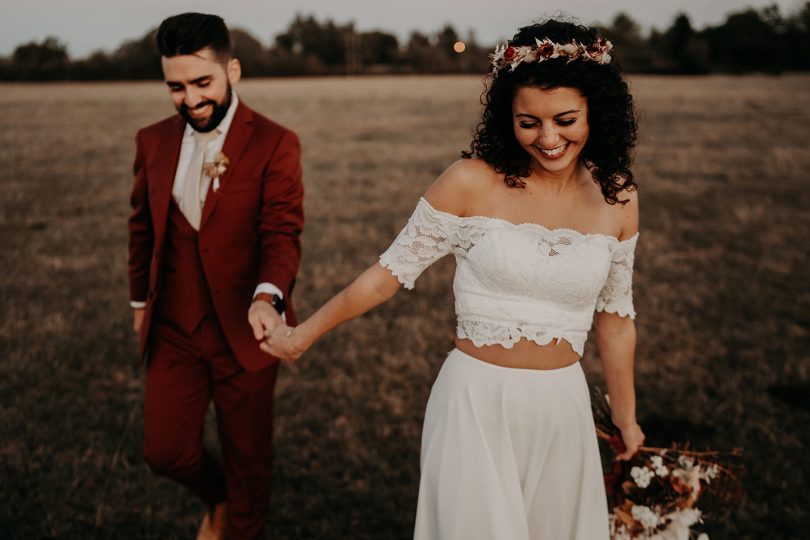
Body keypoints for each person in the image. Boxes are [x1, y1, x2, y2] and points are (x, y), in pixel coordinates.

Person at [265, 18, 642, 540]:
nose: (549, 138)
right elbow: (385, 275)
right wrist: (300, 336)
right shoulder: (470, 182)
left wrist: (627, 419)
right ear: (506, 116)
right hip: (475, 406)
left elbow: (616, 319)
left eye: (566, 119)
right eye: (528, 122)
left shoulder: (618, 196)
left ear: (596, 111)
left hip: (564, 410)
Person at [126, 13, 304, 540]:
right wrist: (140, 308)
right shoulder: (152, 140)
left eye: (202, 83)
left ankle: (240, 521)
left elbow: (281, 232)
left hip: (245, 332)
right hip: (173, 330)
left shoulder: (275, 141)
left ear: (233, 70)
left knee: (249, 458)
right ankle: (218, 498)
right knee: (166, 451)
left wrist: (267, 297)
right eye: (176, 87)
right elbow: (141, 230)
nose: (190, 99)